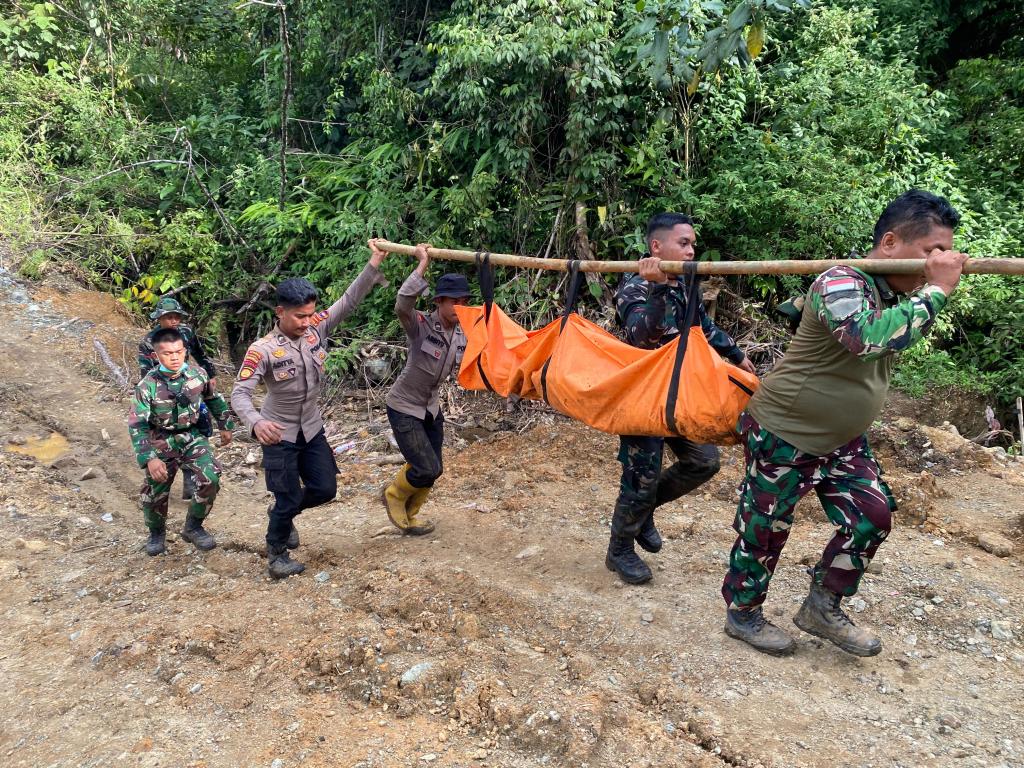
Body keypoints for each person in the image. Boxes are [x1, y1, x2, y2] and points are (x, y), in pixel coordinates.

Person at [720, 189, 967, 657]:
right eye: (931, 250)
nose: (939, 260)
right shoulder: (841, 280)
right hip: (785, 432)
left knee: (871, 518)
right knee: (765, 528)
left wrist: (928, 290)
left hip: (842, 440)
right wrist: (937, 289)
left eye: (946, 252)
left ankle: (822, 606)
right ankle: (743, 613)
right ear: (890, 243)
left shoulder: (893, 292)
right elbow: (867, 338)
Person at [608, 212, 756, 585]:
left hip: (678, 392)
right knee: (641, 478)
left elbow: (701, 326)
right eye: (684, 243)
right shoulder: (634, 286)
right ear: (657, 247)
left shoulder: (686, 283)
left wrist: (736, 354)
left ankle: (643, 511)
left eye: (693, 244)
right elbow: (642, 336)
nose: (691, 251)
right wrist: (657, 287)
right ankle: (619, 549)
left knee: (704, 461)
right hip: (643, 397)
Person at [231, 250, 390, 579]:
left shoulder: (316, 329)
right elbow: (239, 394)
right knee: (287, 497)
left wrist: (374, 263)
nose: (306, 322)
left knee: (325, 489)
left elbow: (348, 301)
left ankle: (282, 513)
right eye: (299, 317)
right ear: (280, 312)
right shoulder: (262, 349)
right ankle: (277, 553)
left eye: (310, 315)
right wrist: (256, 422)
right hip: (279, 434)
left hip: (312, 428)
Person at [373, 240, 469, 535]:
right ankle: (393, 494)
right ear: (439, 301)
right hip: (404, 406)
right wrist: (422, 264)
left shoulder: (464, 333)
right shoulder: (421, 325)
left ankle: (411, 516)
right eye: (454, 302)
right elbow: (402, 304)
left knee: (435, 468)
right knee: (425, 467)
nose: (460, 307)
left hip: (430, 407)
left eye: (464, 301)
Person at [129, 327, 234, 556]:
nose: (174, 357)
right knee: (156, 490)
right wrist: (149, 458)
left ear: (185, 351)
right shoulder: (147, 385)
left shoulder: (198, 375)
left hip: (192, 435)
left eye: (178, 352)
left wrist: (225, 425)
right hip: (161, 439)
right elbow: (138, 425)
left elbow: (213, 399)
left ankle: (193, 526)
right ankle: (156, 533)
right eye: (167, 353)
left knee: (210, 477)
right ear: (157, 355)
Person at [139, 297, 219, 500]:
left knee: (196, 428)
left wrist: (210, 375)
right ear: (159, 319)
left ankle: (191, 477)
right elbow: (145, 373)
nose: (174, 321)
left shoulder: (186, 333)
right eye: (169, 317)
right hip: (162, 393)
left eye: (177, 317)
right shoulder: (149, 342)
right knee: (162, 436)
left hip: (188, 386)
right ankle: (155, 486)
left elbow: (200, 354)